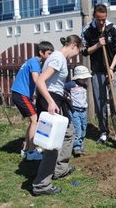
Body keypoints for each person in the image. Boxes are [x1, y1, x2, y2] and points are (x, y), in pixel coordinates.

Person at [32, 35, 82, 196]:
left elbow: (52, 82)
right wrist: (51, 102)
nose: (76, 55)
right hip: (50, 101)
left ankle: (59, 169)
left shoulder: (58, 58)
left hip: (56, 98)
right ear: (74, 46)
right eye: (78, 51)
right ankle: (41, 185)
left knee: (69, 133)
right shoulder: (58, 58)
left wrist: (62, 95)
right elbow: (40, 81)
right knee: (52, 144)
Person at [81, 4, 116, 146]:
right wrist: (98, 46)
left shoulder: (113, 29)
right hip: (97, 71)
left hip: (114, 70)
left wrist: (111, 68)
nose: (101, 22)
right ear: (94, 16)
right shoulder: (87, 31)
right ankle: (103, 131)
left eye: (104, 19)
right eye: (99, 19)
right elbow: (84, 51)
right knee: (100, 103)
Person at [11, 41, 54, 160]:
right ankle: (31, 152)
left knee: (32, 121)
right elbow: (36, 80)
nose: (50, 56)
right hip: (21, 94)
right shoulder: (35, 62)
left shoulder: (31, 61)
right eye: (49, 53)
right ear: (41, 52)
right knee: (35, 121)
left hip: (20, 94)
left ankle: (25, 149)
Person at [64, 65, 92, 156]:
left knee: (84, 127)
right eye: (83, 78)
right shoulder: (71, 85)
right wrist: (67, 96)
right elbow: (63, 88)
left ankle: (81, 145)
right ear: (78, 77)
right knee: (77, 128)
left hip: (83, 110)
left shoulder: (84, 86)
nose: (85, 80)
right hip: (74, 110)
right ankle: (76, 147)